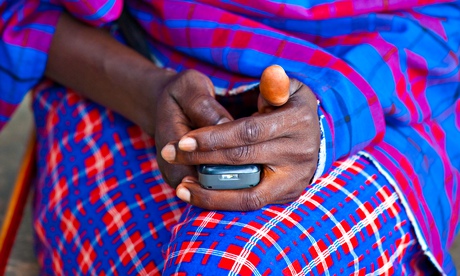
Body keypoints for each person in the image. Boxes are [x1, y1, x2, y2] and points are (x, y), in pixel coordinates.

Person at [1, 0, 459, 274]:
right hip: (127, 76)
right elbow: (22, 13)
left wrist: (333, 113)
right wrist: (149, 92)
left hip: (386, 91)